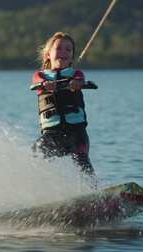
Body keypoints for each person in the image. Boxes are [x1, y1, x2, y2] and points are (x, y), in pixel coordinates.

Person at [31, 32, 95, 182]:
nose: (64, 52)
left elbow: (80, 79)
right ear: (48, 55)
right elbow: (37, 81)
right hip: (53, 136)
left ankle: (94, 192)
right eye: (59, 48)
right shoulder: (40, 76)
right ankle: (40, 193)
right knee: (36, 154)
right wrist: (45, 85)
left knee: (83, 162)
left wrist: (77, 83)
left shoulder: (76, 74)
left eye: (68, 49)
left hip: (77, 134)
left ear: (72, 56)